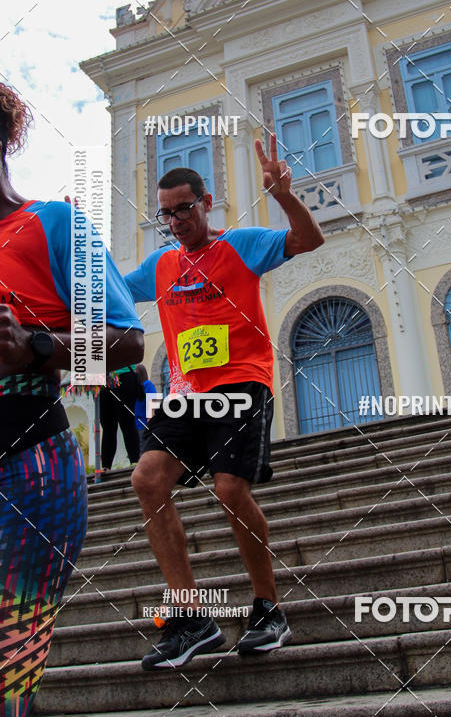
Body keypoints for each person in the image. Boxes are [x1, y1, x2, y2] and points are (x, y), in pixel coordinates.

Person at [126, 133, 324, 669]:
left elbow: (309, 240)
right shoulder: (160, 266)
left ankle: (268, 610)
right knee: (146, 479)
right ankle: (191, 619)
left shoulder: (241, 244)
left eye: (184, 209)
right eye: (166, 214)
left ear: (206, 203)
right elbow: (106, 291)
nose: (175, 221)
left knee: (230, 488)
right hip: (185, 393)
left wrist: (284, 194)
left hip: (242, 382)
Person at [0, 82, 144, 716]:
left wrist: (32, 345)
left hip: (30, 470)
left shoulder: (51, 224)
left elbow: (127, 344)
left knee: (8, 670)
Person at [99, 364, 141, 471]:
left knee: (127, 422)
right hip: (104, 378)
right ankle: (106, 465)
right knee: (107, 425)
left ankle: (135, 460)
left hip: (124, 374)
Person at [133, 363, 157, 448]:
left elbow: (153, 400)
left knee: (143, 448)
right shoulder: (135, 387)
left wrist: (151, 418)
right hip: (135, 424)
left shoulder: (147, 384)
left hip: (143, 423)